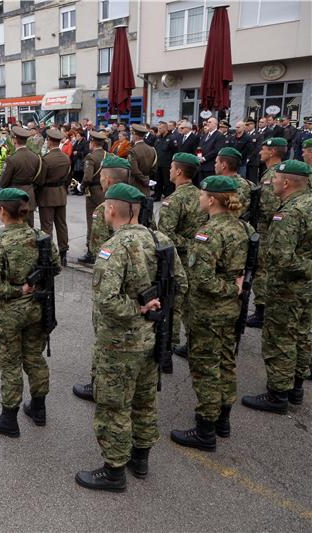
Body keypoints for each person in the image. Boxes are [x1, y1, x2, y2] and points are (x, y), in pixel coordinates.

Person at [75, 183, 186, 492]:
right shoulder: (161, 239)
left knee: (114, 406)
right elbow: (182, 285)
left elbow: (107, 301)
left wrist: (138, 309)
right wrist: (157, 310)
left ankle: (113, 471)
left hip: (119, 344)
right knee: (145, 400)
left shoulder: (115, 247)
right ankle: (140, 459)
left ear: (112, 209)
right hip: (153, 338)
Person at [170, 176, 252, 451]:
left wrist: (231, 289)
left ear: (213, 200)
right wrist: (235, 289)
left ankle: (206, 429)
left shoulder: (209, 233)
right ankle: (222, 420)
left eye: (203, 195)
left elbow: (203, 280)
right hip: (230, 311)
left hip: (208, 311)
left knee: (205, 367)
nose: (200, 199)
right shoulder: (243, 226)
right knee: (226, 361)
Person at [0, 188, 60, 437]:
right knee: (34, 357)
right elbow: (55, 267)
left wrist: (18, 290)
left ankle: (9, 418)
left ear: (2, 211)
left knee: (10, 364)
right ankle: (39, 409)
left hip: (9, 315)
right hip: (37, 310)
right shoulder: (41, 237)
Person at [241, 160, 312, 413]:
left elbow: (282, 258)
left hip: (288, 288)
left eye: (277, 180)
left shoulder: (290, 212)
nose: (272, 185)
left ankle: (278, 394)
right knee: (303, 336)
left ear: (287, 182)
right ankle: (295, 388)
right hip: (306, 289)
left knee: (280, 339)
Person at [72, 155, 143, 402]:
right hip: (140, 280)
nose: (100, 181)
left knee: (105, 335)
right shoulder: (136, 203)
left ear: (107, 180)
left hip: (112, 278)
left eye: (102, 177)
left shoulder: (105, 209)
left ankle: (98, 383)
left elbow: (97, 246)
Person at [157, 153, 206, 358]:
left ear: (178, 171)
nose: (169, 170)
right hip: (199, 258)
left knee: (173, 305)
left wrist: (189, 243)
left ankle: (168, 347)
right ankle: (192, 344)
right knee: (192, 304)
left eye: (171, 167)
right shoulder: (202, 195)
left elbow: (165, 236)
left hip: (178, 259)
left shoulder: (174, 200)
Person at [246, 137, 287, 328]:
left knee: (261, 270)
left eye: (263, 149)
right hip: (271, 229)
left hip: (266, 229)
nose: (260, 152)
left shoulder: (272, 175)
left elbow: (270, 208)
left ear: (272, 152)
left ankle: (261, 311)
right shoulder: (277, 171)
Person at [36, 128, 72, 265]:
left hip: (47, 195)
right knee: (62, 225)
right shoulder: (65, 158)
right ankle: (63, 253)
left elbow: (40, 180)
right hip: (61, 193)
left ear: (50, 142)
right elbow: (69, 176)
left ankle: (48, 254)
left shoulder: (46, 159)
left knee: (47, 226)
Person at [0, 126, 41, 228]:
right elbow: (38, 178)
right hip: (29, 194)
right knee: (29, 227)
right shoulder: (35, 157)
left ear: (14, 140)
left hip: (14, 197)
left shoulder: (12, 159)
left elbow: (3, 182)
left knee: (14, 227)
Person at [77, 131, 108, 264]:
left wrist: (81, 187)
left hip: (94, 192)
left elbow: (88, 177)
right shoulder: (108, 155)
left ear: (92, 143)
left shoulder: (91, 157)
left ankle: (91, 251)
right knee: (105, 221)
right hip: (106, 190)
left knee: (92, 221)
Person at [214, 147, 253, 220]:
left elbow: (229, 215)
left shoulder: (228, 187)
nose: (215, 165)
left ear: (223, 165)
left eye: (216, 162)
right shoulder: (248, 183)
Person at [128, 124, 158, 196]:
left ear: (135, 135)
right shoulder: (152, 149)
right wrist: (146, 178)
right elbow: (154, 168)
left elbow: (134, 170)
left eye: (132, 134)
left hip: (135, 183)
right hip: (146, 183)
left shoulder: (133, 151)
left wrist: (144, 180)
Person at [153, 122, 178, 200]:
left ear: (165, 128)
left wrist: (173, 163)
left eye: (160, 128)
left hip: (167, 164)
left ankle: (168, 196)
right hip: (158, 163)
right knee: (158, 181)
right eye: (158, 128)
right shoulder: (158, 138)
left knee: (167, 182)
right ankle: (157, 195)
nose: (159, 129)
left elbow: (175, 151)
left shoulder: (172, 138)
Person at [198, 118, 226, 184]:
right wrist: (199, 156)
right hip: (201, 166)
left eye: (210, 122)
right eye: (207, 122)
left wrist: (204, 158)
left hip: (211, 166)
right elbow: (199, 147)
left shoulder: (219, 135)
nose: (207, 123)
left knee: (210, 185)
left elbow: (217, 150)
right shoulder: (204, 135)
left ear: (215, 124)